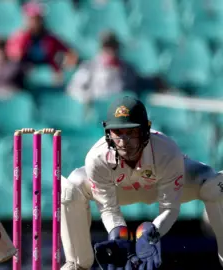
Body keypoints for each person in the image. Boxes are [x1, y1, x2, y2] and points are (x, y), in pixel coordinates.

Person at [59, 96, 223, 270]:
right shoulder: (96, 158)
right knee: (71, 187)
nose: (124, 142)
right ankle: (77, 264)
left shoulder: (167, 151)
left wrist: (152, 231)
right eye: (118, 133)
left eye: (131, 132)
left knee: (215, 185)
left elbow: (169, 208)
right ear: (108, 133)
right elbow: (108, 208)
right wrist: (117, 235)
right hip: (120, 190)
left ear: (145, 130)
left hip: (165, 187)